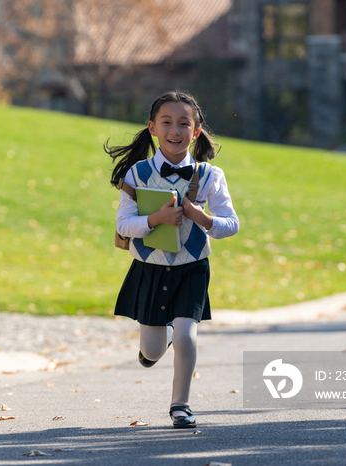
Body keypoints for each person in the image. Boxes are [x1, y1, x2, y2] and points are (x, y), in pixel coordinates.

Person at [106, 91, 239, 429]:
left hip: (193, 267)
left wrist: (203, 218)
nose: (175, 130)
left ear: (196, 132)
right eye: (166, 122)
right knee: (150, 352)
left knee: (186, 336)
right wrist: (156, 220)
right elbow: (123, 225)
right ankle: (158, 340)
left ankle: (181, 405)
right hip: (149, 268)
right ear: (152, 127)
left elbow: (231, 225)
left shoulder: (210, 175)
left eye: (184, 123)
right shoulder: (136, 174)